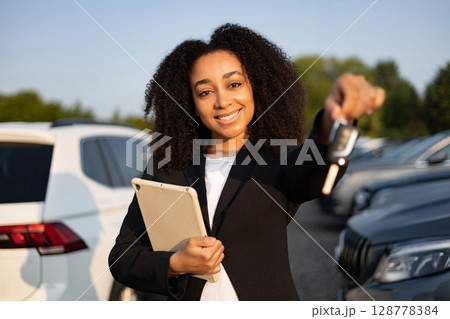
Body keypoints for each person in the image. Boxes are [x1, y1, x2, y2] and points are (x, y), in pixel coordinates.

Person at [109, 23, 385, 301]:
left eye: (234, 84)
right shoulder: (167, 166)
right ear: (189, 102)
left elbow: (314, 172)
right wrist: (174, 264)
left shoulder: (278, 158)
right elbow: (122, 257)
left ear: (257, 87)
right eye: (205, 92)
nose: (222, 101)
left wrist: (332, 121)